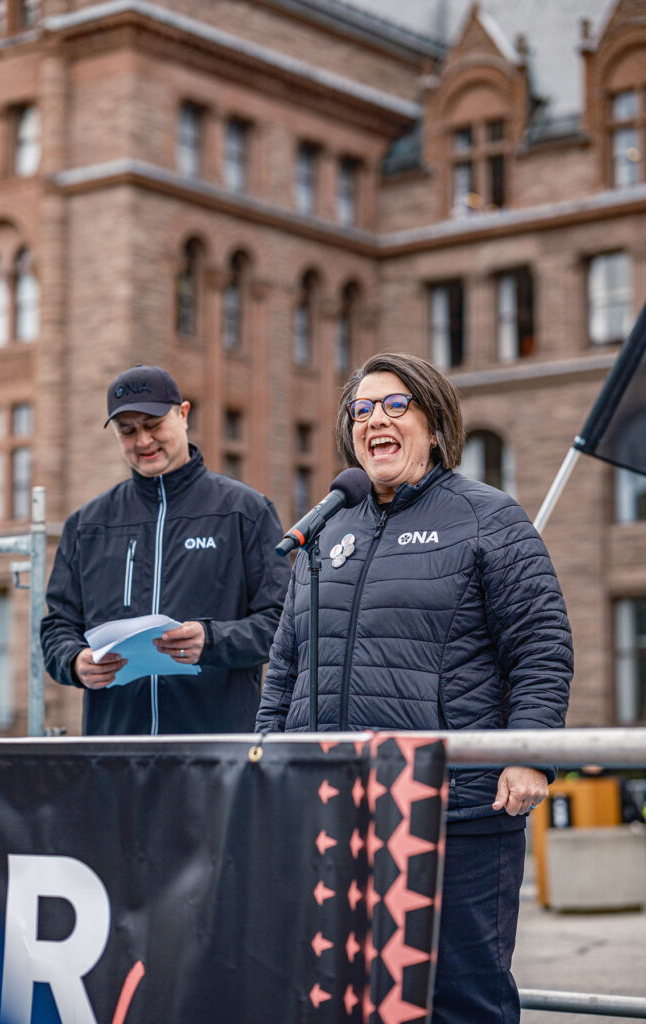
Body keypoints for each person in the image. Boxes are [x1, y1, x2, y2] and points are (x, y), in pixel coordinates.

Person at [256, 352, 573, 1024]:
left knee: (459, 1000)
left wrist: (529, 752)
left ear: (434, 425)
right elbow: (283, 667)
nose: (375, 418)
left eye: (394, 404)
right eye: (362, 409)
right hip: (332, 812)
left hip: (453, 813)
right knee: (344, 998)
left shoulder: (487, 518)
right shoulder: (323, 530)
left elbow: (541, 647)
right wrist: (266, 760)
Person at [41, 364, 290, 736]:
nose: (143, 441)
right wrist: (75, 662)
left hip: (217, 753)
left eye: (153, 424)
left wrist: (212, 640)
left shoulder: (244, 512)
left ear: (183, 415)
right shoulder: (87, 525)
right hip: (116, 754)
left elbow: (285, 622)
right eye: (127, 431)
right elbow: (57, 626)